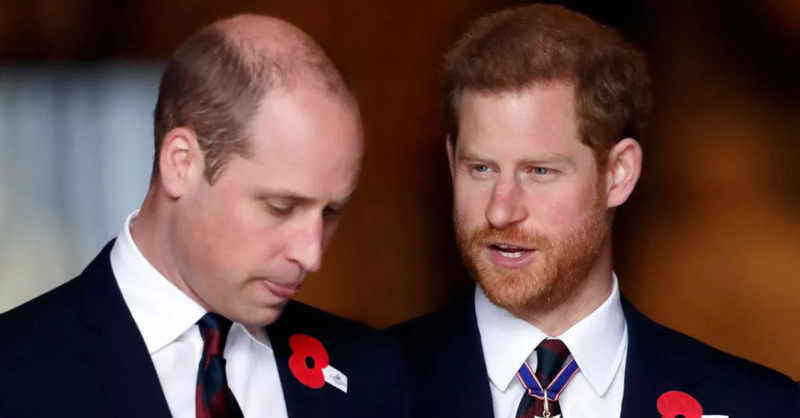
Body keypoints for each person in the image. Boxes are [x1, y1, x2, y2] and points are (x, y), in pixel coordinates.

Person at [391, 4, 799, 418]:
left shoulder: (761, 403)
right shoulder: (369, 386)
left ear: (620, 175)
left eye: (540, 171)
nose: (501, 210)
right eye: (481, 168)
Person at [0, 14, 406, 418]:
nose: (311, 255)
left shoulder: (373, 373)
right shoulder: (15, 371)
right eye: (279, 207)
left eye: (331, 211)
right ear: (182, 163)